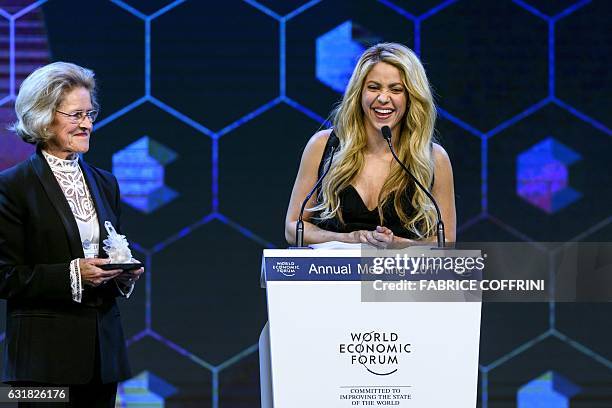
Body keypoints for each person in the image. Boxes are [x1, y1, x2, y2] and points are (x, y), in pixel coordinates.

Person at [0, 62, 144, 407]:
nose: (88, 124)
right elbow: (5, 276)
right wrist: (72, 274)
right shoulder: (13, 186)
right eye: (76, 115)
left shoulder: (105, 182)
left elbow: (108, 248)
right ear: (44, 117)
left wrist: (121, 270)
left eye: (90, 113)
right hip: (41, 362)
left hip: (101, 358)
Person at [285, 43, 456, 248]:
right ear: (359, 93)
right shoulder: (323, 146)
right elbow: (293, 228)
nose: (383, 98)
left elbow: (445, 241)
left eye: (396, 89)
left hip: (402, 278)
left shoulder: (434, 158)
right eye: (373, 87)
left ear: (411, 97)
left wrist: (399, 244)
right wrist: (349, 239)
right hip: (331, 277)